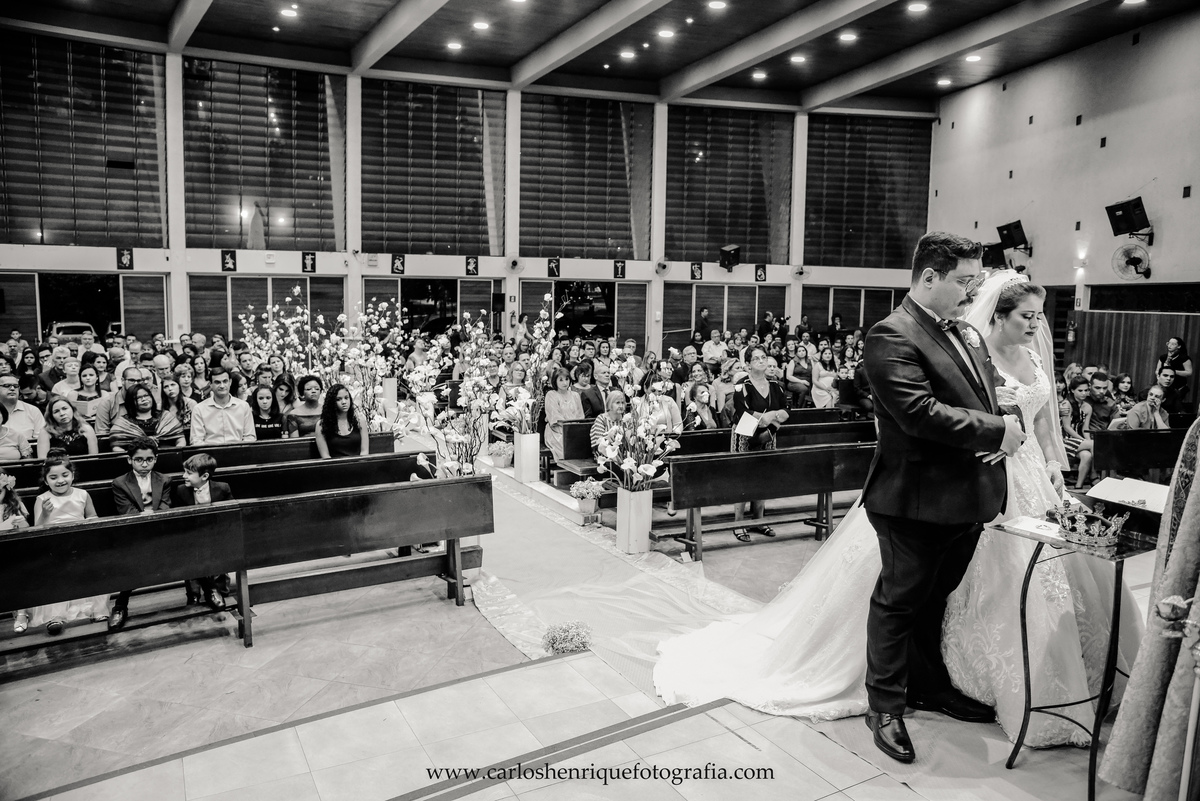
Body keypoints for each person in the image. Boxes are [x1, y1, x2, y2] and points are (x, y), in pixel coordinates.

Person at [30, 450, 105, 634]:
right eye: (53, 477)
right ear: (46, 480)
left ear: (72, 475)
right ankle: (55, 616)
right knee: (55, 574)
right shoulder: (42, 499)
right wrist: (45, 514)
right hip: (55, 545)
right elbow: (37, 529)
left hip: (79, 541)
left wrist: (88, 525)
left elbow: (93, 516)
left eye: (65, 475)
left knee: (91, 568)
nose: (60, 480)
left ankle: (96, 610)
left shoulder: (82, 494)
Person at [107, 436, 172, 631]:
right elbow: (126, 511)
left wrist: (155, 519)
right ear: (129, 460)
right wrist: (146, 519)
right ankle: (120, 606)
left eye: (149, 459)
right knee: (133, 560)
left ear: (155, 459)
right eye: (139, 460)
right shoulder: (120, 483)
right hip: (134, 532)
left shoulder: (164, 480)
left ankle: (206, 590)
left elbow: (165, 506)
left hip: (161, 529)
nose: (144, 464)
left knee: (183, 548)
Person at [729, 345, 789, 542]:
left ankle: (759, 520)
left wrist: (771, 418)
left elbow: (786, 410)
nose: (762, 361)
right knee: (743, 477)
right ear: (748, 364)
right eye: (756, 358)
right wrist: (770, 416)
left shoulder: (775, 385)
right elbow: (742, 412)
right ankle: (738, 523)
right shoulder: (742, 385)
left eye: (764, 357)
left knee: (763, 476)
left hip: (769, 433)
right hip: (745, 433)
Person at [172, 453, 233, 610]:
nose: (183, 476)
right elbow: (178, 518)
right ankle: (193, 594)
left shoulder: (222, 488)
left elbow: (230, 514)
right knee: (191, 556)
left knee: (219, 556)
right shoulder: (181, 490)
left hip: (216, 533)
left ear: (204, 476)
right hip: (192, 534)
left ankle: (219, 590)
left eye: (189, 473)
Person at [190, 367, 255, 445]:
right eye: (217, 382)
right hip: (209, 451)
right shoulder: (199, 409)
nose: (222, 386)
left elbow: (250, 437)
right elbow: (196, 440)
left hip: (238, 450)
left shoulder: (243, 406)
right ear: (210, 384)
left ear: (230, 382)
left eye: (225, 381)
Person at [110, 384, 186, 452]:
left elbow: (180, 438)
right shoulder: (123, 422)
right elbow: (116, 446)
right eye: (138, 397)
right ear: (130, 401)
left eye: (146, 395)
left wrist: (175, 453)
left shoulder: (165, 416)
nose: (144, 399)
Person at [1, 469, 32, 632]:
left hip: (12, 551)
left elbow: (27, 530)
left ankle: (21, 612)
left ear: (6, 490)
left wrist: (21, 523)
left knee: (19, 570)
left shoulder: (12, 506)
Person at [315, 383, 368, 458]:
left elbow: (365, 451)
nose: (344, 402)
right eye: (338, 399)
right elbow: (325, 456)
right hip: (334, 464)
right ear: (331, 402)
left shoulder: (359, 420)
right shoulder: (321, 425)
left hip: (358, 463)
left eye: (346, 398)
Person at [1061, 376, 1095, 489]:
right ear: (1072, 390)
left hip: (1077, 441)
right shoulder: (1066, 404)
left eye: (1086, 390)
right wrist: (1083, 441)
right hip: (1064, 439)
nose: (1084, 393)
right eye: (1080, 390)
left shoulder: (1087, 407)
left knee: (1087, 455)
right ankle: (1094, 475)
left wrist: (1087, 440)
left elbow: (1085, 428)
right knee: (1094, 444)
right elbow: (1067, 427)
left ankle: (1078, 486)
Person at [544, 368, 584, 462]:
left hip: (574, 430)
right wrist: (568, 430)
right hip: (557, 430)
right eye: (561, 380)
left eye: (567, 379)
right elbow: (554, 417)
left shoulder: (575, 395)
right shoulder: (551, 394)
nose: (565, 383)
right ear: (555, 381)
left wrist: (575, 429)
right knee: (566, 445)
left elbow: (580, 415)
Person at [0, 372, 44, 446]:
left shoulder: (33, 411)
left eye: (16, 386)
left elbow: (41, 440)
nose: (12, 388)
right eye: (6, 386)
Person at [590, 390, 627, 459]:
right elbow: (598, 443)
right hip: (605, 457)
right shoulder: (601, 419)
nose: (621, 406)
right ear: (610, 404)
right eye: (617, 403)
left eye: (622, 403)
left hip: (623, 455)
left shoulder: (625, 419)